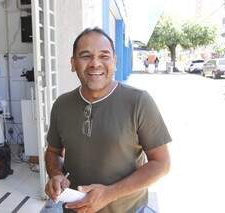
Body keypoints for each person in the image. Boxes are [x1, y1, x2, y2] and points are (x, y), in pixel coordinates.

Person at [44, 27, 171, 213]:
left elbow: (161, 163)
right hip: (75, 208)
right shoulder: (62, 104)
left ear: (114, 62)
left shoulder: (138, 101)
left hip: (129, 209)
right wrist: (55, 174)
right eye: (85, 56)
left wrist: (110, 193)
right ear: (73, 63)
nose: (95, 63)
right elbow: (53, 152)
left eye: (104, 56)